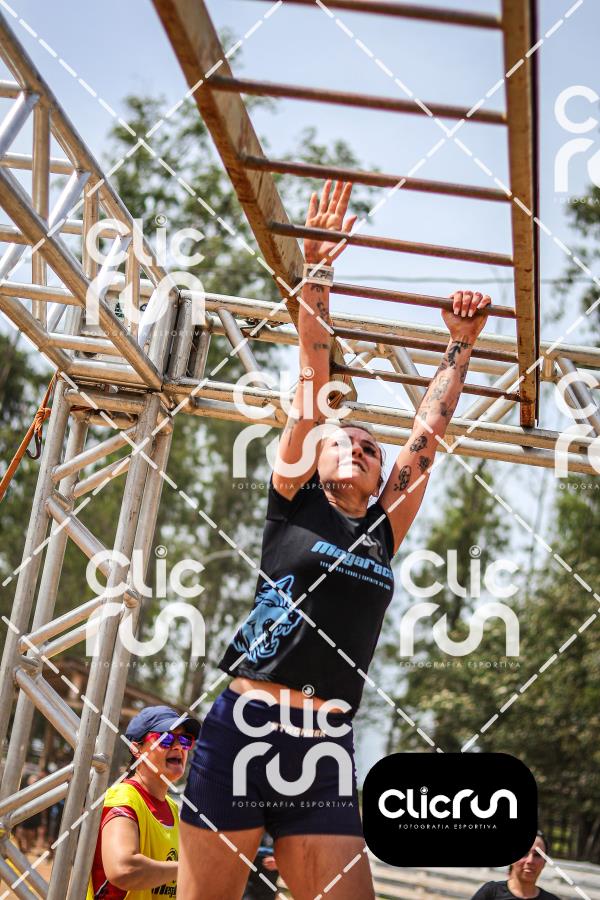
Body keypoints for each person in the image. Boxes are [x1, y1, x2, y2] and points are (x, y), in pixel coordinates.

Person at [178, 179, 492, 900]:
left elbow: (428, 433)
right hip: (245, 726)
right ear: (313, 457)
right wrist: (318, 270)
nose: (357, 447)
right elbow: (311, 375)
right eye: (342, 439)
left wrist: (461, 343)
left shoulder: (382, 528)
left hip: (324, 745)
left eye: (371, 449)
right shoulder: (294, 502)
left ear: (381, 478)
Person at [86, 705, 199, 899]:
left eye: (184, 740)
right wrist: (189, 868)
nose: (178, 746)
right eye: (165, 739)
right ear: (136, 749)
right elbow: (124, 869)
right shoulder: (123, 797)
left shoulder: (172, 808)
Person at [471, 831, 561, 900]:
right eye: (524, 853)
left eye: (537, 855)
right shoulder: (491, 893)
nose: (530, 861)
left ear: (544, 862)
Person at [242, 832, 279, 899]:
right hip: (249, 885)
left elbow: (289, 857)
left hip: (269, 887)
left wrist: (279, 863)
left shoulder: (281, 832)